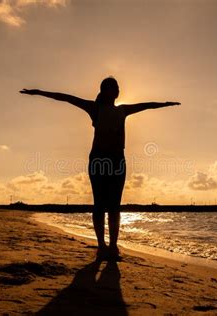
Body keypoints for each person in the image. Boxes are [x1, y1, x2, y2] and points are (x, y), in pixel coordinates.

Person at [20, 77, 180, 261]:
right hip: (98, 159)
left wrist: (165, 104)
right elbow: (65, 97)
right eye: (114, 87)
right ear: (105, 90)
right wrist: (38, 92)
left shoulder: (123, 110)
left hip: (118, 160)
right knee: (99, 204)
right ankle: (101, 246)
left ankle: (113, 246)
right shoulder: (94, 108)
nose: (117, 90)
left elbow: (146, 105)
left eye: (118, 87)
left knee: (114, 205)